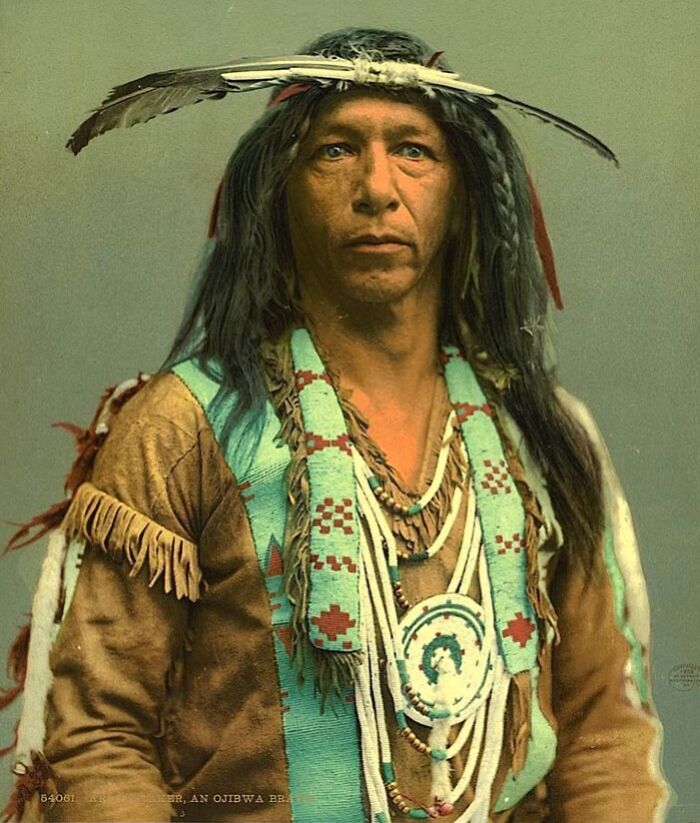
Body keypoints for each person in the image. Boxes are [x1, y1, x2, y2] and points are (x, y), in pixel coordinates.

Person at [2, 27, 667, 823]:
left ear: (462, 197)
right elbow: (101, 739)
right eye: (336, 151)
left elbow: (604, 731)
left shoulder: (542, 436)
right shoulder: (184, 429)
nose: (377, 187)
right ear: (280, 192)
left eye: (415, 150)